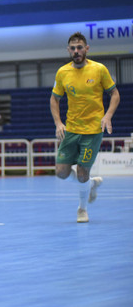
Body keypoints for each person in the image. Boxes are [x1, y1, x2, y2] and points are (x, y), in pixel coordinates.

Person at [50, 32, 120, 223]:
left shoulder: (99, 69)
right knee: (61, 172)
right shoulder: (62, 72)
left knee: (82, 174)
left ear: (86, 48)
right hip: (71, 130)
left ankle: (82, 209)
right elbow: (54, 99)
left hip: (92, 131)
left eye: (80, 47)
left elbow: (114, 94)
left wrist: (108, 116)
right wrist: (58, 123)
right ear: (68, 50)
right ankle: (92, 183)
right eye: (72, 48)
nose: (76, 51)